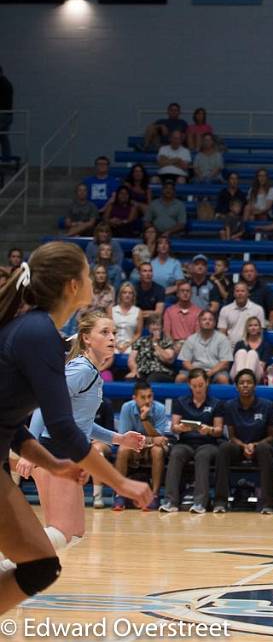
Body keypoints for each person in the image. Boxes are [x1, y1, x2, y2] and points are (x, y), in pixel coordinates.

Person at [0, 244, 152, 613]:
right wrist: (121, 482)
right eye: (86, 273)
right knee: (47, 555)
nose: (92, 279)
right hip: (36, 448)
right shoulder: (39, 335)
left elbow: (12, 424)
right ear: (72, 285)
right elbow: (63, 425)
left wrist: (52, 464)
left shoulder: (40, 333)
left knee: (41, 565)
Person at [19, 314, 147, 542]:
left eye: (114, 333)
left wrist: (119, 439)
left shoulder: (92, 373)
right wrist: (32, 449)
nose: (112, 338)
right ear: (87, 338)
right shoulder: (82, 370)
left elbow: (82, 422)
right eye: (105, 332)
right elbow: (45, 403)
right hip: (54, 451)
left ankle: (15, 565)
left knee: (66, 533)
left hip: (63, 450)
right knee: (66, 532)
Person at [162, 368, 225, 513]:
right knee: (176, 453)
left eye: (201, 385)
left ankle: (200, 503)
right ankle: (171, 501)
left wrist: (208, 430)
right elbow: (174, 427)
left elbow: (219, 430)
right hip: (186, 443)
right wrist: (181, 428)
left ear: (207, 383)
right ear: (190, 385)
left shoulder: (216, 403)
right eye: (194, 386)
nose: (197, 389)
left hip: (208, 443)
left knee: (202, 456)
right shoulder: (180, 402)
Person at [216, 370, 273, 514]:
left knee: (264, 448)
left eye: (249, 382)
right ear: (236, 387)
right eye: (241, 383)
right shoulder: (230, 406)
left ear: (255, 385)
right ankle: (220, 502)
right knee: (224, 448)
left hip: (260, 447)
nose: (245, 385)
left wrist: (254, 445)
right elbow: (231, 436)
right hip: (238, 446)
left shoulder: (267, 405)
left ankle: (268, 503)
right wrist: (244, 446)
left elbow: (271, 436)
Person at [112, 380, 172, 511]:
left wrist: (144, 420)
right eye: (143, 397)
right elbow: (124, 439)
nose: (147, 400)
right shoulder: (127, 407)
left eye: (150, 396)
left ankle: (154, 495)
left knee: (157, 450)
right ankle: (119, 494)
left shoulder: (160, 409)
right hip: (133, 447)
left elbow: (160, 440)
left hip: (150, 449)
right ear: (135, 398)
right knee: (122, 450)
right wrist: (150, 439)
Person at [176, 310, 232, 384]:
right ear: (199, 322)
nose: (207, 322)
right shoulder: (191, 339)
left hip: (216, 371)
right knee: (180, 378)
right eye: (204, 319)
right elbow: (185, 362)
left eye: (210, 320)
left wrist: (211, 372)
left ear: (215, 323)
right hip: (194, 370)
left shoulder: (222, 339)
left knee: (223, 379)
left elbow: (225, 363)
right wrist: (197, 372)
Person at [126, 315, 176, 383]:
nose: (155, 327)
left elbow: (168, 358)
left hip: (160, 371)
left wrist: (155, 344)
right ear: (148, 327)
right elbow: (131, 359)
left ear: (162, 328)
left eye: (158, 325)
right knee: (131, 379)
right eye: (152, 324)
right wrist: (134, 370)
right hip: (142, 370)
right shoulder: (141, 341)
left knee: (151, 380)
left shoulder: (167, 342)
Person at [232, 317, 273, 383]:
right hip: (237, 374)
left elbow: (263, 365)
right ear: (247, 329)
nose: (253, 328)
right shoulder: (239, 344)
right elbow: (236, 363)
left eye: (256, 325)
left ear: (259, 328)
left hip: (256, 375)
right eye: (250, 325)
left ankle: (246, 381)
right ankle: (241, 380)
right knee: (241, 352)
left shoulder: (265, 345)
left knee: (252, 353)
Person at [239, 262, 273, 329]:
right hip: (239, 321)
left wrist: (270, 327)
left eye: (251, 271)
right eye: (246, 271)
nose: (249, 274)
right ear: (242, 274)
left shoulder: (265, 289)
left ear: (256, 273)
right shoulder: (236, 288)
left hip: (259, 323)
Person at [162, 280, 201, 344]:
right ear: (177, 294)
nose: (185, 293)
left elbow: (198, 335)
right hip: (174, 345)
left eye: (188, 291)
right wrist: (173, 345)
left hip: (192, 346)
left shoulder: (198, 312)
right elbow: (167, 333)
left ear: (191, 294)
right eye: (182, 291)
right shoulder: (169, 311)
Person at [111, 283, 142, 354]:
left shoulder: (138, 311)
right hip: (113, 343)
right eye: (124, 293)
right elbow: (109, 331)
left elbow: (138, 333)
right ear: (120, 295)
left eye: (130, 293)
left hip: (130, 345)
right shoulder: (112, 310)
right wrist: (116, 344)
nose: (127, 295)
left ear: (133, 296)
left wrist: (127, 345)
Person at [0, 65, 12, 159]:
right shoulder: (7, 83)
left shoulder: (2, 83)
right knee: (3, 136)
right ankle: (6, 158)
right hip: (7, 114)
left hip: (3, 114)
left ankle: (6, 157)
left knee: (3, 136)